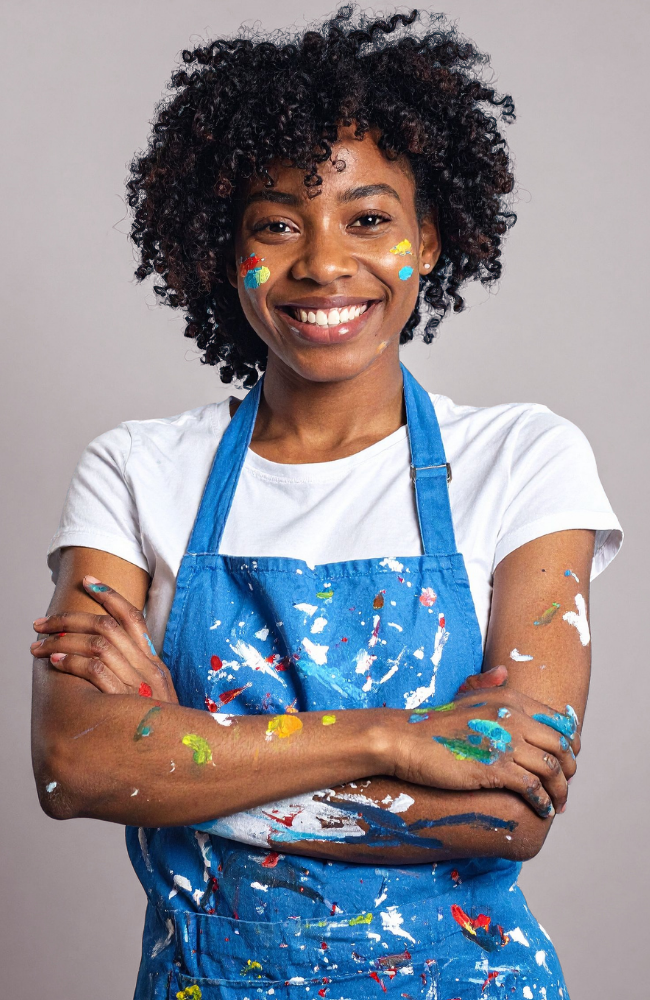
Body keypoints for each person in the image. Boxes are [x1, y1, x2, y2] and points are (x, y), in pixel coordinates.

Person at [31, 8, 622, 999]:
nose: (320, 261)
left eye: (367, 217)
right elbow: (75, 765)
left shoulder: (521, 458)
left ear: (428, 238)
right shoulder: (136, 469)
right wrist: (388, 737)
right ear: (228, 250)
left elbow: (504, 812)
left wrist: (181, 751)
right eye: (275, 222)